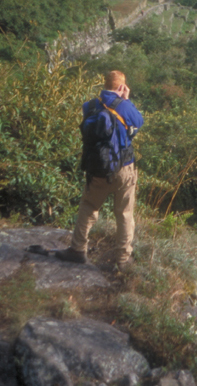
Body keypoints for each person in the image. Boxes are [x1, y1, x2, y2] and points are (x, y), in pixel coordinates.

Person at [55, 70, 144, 271]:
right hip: (123, 168)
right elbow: (138, 122)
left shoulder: (90, 106)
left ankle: (78, 249)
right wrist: (126, 100)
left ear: (104, 84)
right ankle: (122, 260)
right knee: (124, 213)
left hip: (97, 168)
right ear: (122, 87)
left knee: (88, 206)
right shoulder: (123, 105)